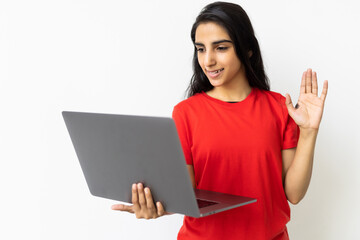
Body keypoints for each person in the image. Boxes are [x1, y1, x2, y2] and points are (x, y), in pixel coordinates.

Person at [111, 1, 328, 239]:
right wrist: (156, 206)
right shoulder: (186, 113)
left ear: (247, 49)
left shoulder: (278, 108)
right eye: (201, 49)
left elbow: (294, 194)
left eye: (220, 48)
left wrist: (308, 132)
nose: (208, 61)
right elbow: (185, 195)